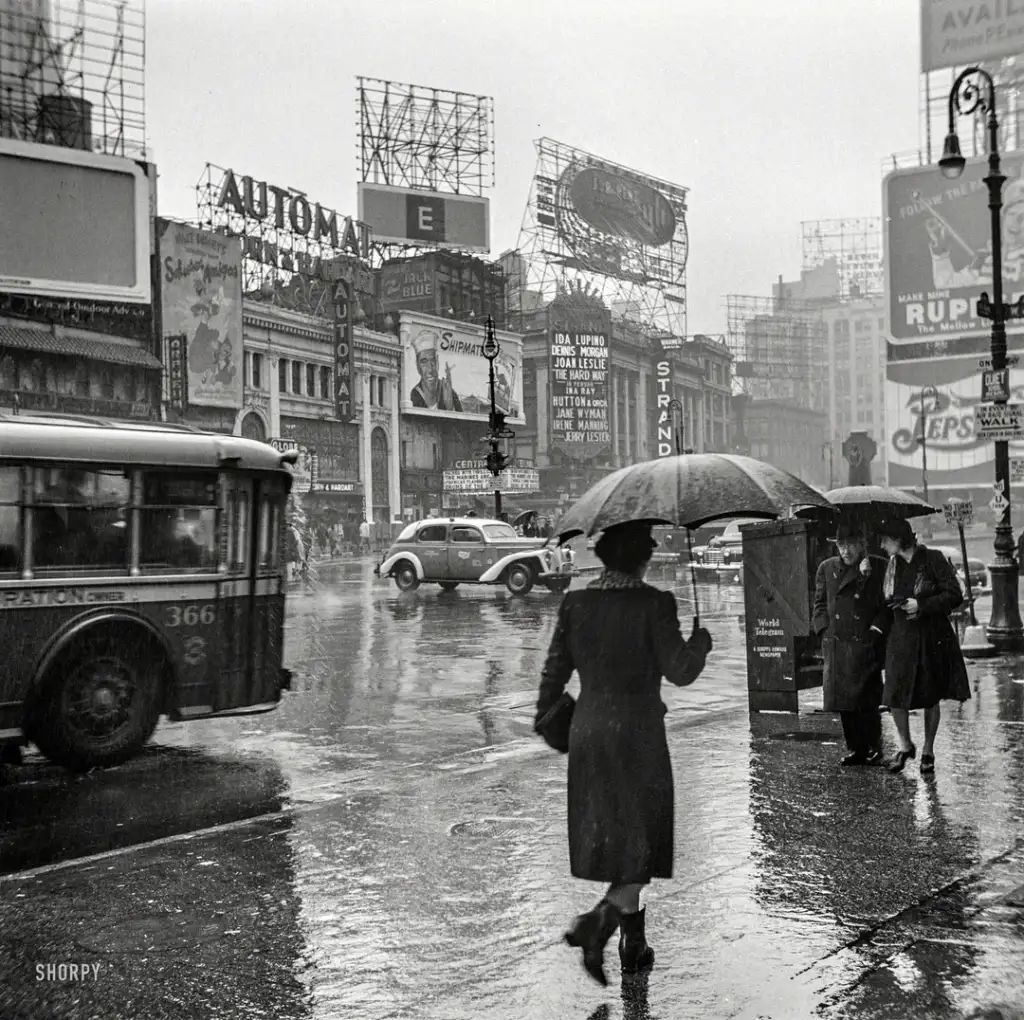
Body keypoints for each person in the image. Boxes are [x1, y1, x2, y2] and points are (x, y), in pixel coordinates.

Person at [535, 520, 713, 986]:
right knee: (643, 846)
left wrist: (557, 726)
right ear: (642, 557)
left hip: (590, 736)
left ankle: (633, 944)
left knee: (625, 850)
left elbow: (552, 676)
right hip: (639, 739)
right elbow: (681, 672)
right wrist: (701, 643)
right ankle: (597, 926)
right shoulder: (655, 604)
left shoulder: (577, 604)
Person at [874, 518, 970, 774]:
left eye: (885, 539)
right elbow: (885, 601)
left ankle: (928, 750)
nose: (882, 544)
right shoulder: (892, 566)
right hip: (901, 638)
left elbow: (954, 595)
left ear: (899, 538)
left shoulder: (933, 558)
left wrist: (922, 605)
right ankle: (906, 745)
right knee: (894, 694)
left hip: (931, 637)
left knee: (930, 695)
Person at [812, 521, 889, 767]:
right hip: (836, 644)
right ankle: (856, 748)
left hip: (864, 642)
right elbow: (819, 603)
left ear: (860, 544)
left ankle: (874, 748)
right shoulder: (826, 568)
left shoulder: (876, 567)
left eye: (850, 545)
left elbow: (885, 605)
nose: (845, 551)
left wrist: (876, 630)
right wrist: (824, 629)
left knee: (867, 701)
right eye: (841, 545)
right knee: (843, 702)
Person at [409, 329, 462, 411]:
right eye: (424, 362)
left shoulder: (449, 392)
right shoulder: (415, 395)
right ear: (417, 366)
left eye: (432, 361)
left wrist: (450, 406)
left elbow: (461, 421)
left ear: (437, 362)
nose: (430, 369)